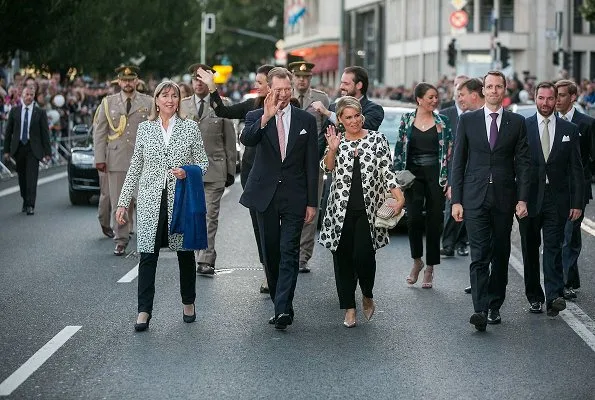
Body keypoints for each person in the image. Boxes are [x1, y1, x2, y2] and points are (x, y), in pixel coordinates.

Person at [115, 80, 209, 332]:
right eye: (164, 95)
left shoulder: (190, 128)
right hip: (149, 200)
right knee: (148, 256)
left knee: (185, 254)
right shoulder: (145, 129)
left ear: (179, 101)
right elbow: (135, 167)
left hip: (179, 200)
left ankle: (188, 302)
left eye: (174, 96)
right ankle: (144, 310)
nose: (169, 100)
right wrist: (123, 202)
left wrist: (187, 171)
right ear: (156, 100)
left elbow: (203, 163)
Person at [451, 70, 531, 331]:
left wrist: (522, 199)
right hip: (474, 198)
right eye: (489, 86)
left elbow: (524, 164)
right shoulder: (469, 121)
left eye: (499, 86)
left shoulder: (517, 123)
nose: (494, 90)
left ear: (504, 90)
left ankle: (495, 304)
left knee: (500, 251)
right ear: (483, 90)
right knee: (479, 254)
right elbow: (459, 161)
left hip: (504, 199)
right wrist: (457, 200)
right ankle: (480, 309)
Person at [239, 67, 318, 330]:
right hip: (266, 195)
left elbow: (311, 165)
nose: (283, 94)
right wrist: (266, 117)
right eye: (278, 90)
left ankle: (283, 308)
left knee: (289, 251)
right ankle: (280, 301)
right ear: (269, 90)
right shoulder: (255, 116)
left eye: (288, 89)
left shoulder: (305, 121)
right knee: (270, 253)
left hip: (295, 196)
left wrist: (312, 203)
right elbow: (247, 139)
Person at [319, 96, 404, 327]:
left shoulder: (377, 139)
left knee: (364, 257)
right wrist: (333, 149)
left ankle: (367, 293)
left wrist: (399, 197)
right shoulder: (336, 140)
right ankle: (349, 307)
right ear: (340, 120)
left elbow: (388, 172)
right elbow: (327, 168)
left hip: (369, 211)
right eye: (348, 117)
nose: (354, 121)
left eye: (357, 116)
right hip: (340, 211)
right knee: (343, 259)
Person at [196, 64, 274, 292]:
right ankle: (268, 272)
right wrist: (213, 88)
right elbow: (223, 111)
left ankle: (279, 270)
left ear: (273, 84)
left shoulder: (288, 107)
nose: (255, 86)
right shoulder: (252, 105)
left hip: (279, 177)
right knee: (260, 227)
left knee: (277, 229)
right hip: (253, 175)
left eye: (259, 82)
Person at [519, 82, 583, 317]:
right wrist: (519, 199)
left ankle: (554, 296)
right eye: (541, 98)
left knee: (554, 248)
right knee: (529, 249)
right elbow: (518, 165)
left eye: (549, 99)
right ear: (535, 99)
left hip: (557, 199)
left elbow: (577, 169)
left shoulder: (570, 129)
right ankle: (535, 296)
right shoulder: (523, 126)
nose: (545, 103)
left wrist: (576, 203)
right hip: (528, 198)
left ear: (556, 100)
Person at [393, 83, 452, 289]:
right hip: (412, 175)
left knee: (435, 220)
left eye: (436, 97)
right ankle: (417, 260)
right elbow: (400, 149)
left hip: (436, 175)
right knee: (414, 218)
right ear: (419, 99)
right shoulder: (407, 120)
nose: (434, 100)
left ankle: (430, 268)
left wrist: (449, 180)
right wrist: (397, 178)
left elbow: (449, 153)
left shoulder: (443, 122)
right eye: (430, 97)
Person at [181, 63, 236, 275]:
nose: (198, 83)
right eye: (195, 79)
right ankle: (195, 253)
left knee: (209, 215)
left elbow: (229, 141)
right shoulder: (183, 106)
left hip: (215, 168)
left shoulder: (222, 104)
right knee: (193, 214)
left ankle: (206, 258)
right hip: (188, 171)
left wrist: (230, 171)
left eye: (202, 78)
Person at [94, 65, 153, 256]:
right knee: (120, 202)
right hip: (116, 158)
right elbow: (100, 132)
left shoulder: (149, 102)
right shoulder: (108, 103)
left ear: (137, 81)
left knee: (144, 201)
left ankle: (147, 237)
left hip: (142, 158)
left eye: (131, 80)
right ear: (118, 82)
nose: (128, 83)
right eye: (124, 80)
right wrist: (99, 158)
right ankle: (120, 240)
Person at [288, 61, 331, 273]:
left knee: (311, 209)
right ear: (293, 78)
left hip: (314, 161)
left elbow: (326, 130)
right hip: (290, 162)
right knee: (291, 208)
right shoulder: (285, 96)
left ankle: (303, 256)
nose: (302, 80)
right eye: (298, 76)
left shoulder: (321, 99)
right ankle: (289, 251)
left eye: (306, 77)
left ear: (310, 79)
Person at [555, 79, 595, 300]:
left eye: (561, 95)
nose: (557, 99)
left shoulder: (586, 123)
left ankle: (565, 283)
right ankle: (570, 279)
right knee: (559, 236)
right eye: (555, 95)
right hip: (552, 189)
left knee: (569, 236)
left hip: (576, 190)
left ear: (572, 97)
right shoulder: (549, 121)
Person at [450, 78, 486, 294]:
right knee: (478, 244)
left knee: (493, 245)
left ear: (474, 94)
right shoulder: (466, 120)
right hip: (473, 193)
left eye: (462, 94)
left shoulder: (504, 119)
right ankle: (481, 283)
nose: (459, 99)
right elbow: (458, 159)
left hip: (497, 193)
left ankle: (492, 283)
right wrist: (457, 193)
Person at [3, 86, 51, 215]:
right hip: (18, 148)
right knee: (22, 178)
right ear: (22, 96)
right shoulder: (14, 111)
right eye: (26, 94)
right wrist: (6, 151)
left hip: (33, 149)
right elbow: (8, 133)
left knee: (32, 178)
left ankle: (30, 205)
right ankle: (25, 199)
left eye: (31, 94)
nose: (29, 97)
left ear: (34, 96)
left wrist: (47, 153)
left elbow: (45, 134)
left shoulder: (39, 112)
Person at [440, 75, 470, 259]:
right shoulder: (446, 113)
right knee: (452, 205)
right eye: (457, 88)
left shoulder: (476, 113)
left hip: (472, 168)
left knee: (469, 207)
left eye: (463, 90)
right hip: (452, 167)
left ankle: (462, 242)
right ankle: (448, 244)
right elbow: (442, 146)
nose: (460, 95)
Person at [92, 105, 114, 238]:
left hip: (124, 154)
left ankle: (126, 227)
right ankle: (105, 222)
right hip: (107, 154)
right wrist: (100, 158)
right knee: (107, 192)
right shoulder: (104, 107)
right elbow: (98, 133)